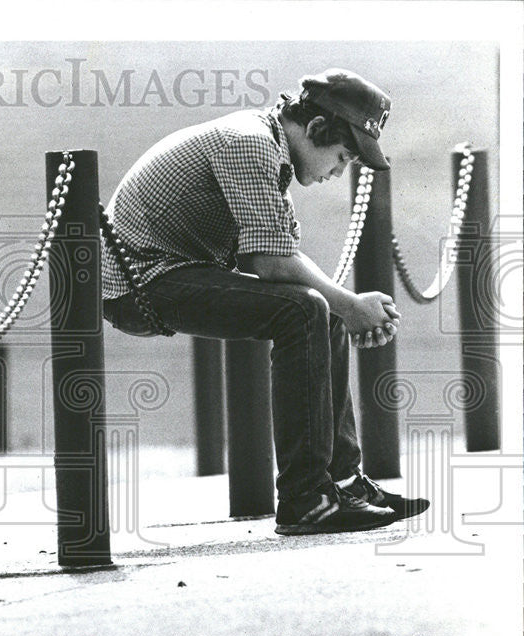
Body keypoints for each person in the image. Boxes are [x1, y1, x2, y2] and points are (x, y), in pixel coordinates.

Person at [101, 68, 429, 535]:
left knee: (320, 310)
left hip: (169, 272)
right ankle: (306, 500)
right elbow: (270, 263)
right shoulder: (249, 143)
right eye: (341, 157)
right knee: (306, 309)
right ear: (316, 129)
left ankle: (345, 484)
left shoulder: (269, 152)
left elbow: (285, 259)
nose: (338, 173)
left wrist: (345, 307)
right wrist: (352, 305)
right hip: (138, 284)